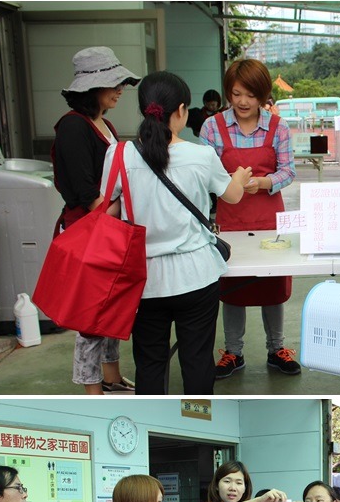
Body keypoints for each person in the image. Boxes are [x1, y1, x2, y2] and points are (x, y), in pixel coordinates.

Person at [102, 71, 249, 394]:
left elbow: (108, 208)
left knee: (150, 362)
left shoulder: (120, 154)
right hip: (196, 276)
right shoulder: (201, 155)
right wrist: (239, 175)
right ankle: (198, 424)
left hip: (143, 280)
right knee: (197, 361)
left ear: (145, 109)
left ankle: (152, 429)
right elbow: (233, 195)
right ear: (182, 110)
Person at [200, 58, 300, 379]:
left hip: (269, 217)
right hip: (231, 219)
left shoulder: (278, 126)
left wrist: (264, 182)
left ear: (263, 96)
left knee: (271, 282)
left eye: (251, 95)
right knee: (234, 285)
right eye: (237, 93)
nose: (243, 102)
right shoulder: (212, 127)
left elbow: (288, 171)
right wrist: (231, 185)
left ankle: (277, 349)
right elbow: (204, 173)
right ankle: (233, 352)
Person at [52, 45, 140, 395]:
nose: (120, 89)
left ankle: (112, 376)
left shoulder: (103, 122)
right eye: (113, 83)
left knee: (111, 310)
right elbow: (87, 192)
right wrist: (124, 212)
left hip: (106, 226)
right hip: (90, 229)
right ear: (91, 87)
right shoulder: (73, 127)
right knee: (90, 316)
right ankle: (93, 389)